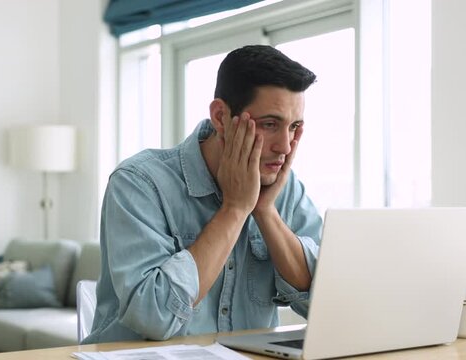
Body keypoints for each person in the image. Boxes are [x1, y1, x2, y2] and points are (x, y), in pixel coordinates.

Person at [82, 45, 323, 343]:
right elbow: (154, 318)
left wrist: (264, 210)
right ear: (221, 117)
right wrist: (235, 209)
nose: (285, 147)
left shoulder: (284, 188)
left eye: (294, 127)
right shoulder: (138, 184)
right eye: (270, 125)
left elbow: (326, 305)